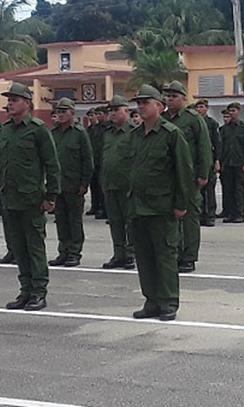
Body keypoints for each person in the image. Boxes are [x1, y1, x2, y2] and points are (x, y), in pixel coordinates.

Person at [127, 85, 191, 321]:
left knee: (165, 257)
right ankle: (151, 301)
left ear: (160, 106)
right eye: (138, 103)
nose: (141, 106)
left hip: (162, 206)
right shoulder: (135, 135)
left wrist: (181, 204)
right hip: (138, 206)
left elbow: (184, 171)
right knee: (144, 258)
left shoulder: (171, 134)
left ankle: (168, 302)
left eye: (146, 102)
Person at [0, 82, 60, 312]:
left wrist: (51, 195)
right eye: (9, 100)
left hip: (31, 199)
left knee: (34, 248)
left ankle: (38, 292)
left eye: (14, 100)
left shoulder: (38, 129)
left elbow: (52, 164)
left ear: (27, 103)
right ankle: (25, 291)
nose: (10, 104)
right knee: (19, 248)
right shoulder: (5, 129)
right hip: (10, 198)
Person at [162, 81, 209, 273]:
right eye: (167, 96)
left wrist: (203, 174)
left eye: (174, 96)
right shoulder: (163, 119)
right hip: (168, 176)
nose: (170, 100)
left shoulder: (193, 119)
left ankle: (189, 257)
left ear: (183, 98)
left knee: (189, 218)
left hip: (189, 176)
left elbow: (204, 146)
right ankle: (174, 252)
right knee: (171, 217)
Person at [49, 98, 93, 268]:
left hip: (74, 184)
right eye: (58, 112)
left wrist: (84, 183)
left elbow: (87, 160)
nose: (60, 115)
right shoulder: (54, 133)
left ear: (72, 113)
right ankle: (63, 251)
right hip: (58, 184)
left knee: (74, 221)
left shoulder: (80, 133)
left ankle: (74, 252)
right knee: (61, 220)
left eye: (64, 112)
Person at [101, 95, 136, 269]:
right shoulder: (109, 133)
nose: (112, 113)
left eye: (116, 110)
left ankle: (131, 254)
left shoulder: (134, 132)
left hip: (127, 186)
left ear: (126, 111)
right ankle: (119, 254)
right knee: (115, 222)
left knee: (130, 222)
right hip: (110, 185)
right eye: (110, 110)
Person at [218, 102, 244, 223]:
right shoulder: (224, 129)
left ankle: (239, 214)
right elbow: (220, 147)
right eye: (230, 111)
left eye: (234, 111)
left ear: (239, 112)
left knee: (238, 190)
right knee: (228, 189)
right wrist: (220, 162)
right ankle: (230, 213)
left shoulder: (243, 128)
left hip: (239, 164)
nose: (232, 113)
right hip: (227, 163)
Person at [195, 99, 221, 226]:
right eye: (198, 107)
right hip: (197, 161)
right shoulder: (194, 122)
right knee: (199, 192)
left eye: (202, 107)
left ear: (207, 108)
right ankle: (201, 215)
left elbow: (217, 143)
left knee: (210, 191)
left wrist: (217, 160)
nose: (199, 109)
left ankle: (210, 216)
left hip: (209, 161)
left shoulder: (212, 124)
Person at [87, 106, 109, 220]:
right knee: (94, 185)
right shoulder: (93, 129)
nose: (97, 116)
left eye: (99, 114)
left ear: (105, 114)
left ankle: (103, 208)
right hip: (94, 161)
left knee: (102, 187)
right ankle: (95, 205)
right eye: (96, 114)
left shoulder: (108, 128)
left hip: (103, 161)